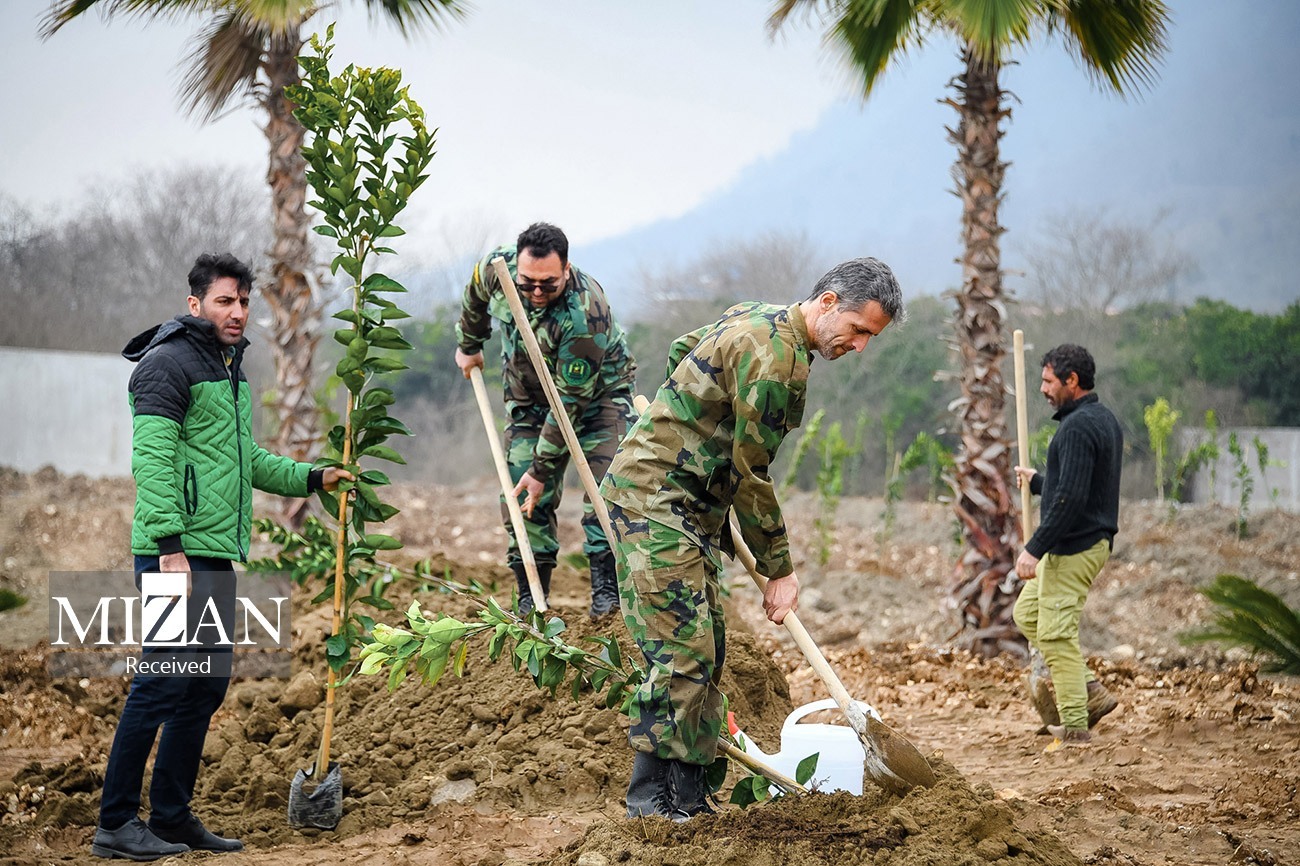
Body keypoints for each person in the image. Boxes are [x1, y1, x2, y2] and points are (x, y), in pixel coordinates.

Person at [599, 257, 903, 819]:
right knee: (682, 654)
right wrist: (778, 571)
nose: (860, 347)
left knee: (709, 649)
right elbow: (751, 474)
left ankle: (688, 796)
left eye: (870, 339)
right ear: (830, 302)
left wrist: (691, 417)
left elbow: (682, 350)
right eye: (860, 330)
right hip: (654, 501)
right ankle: (650, 803)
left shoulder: (755, 316)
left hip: (687, 507)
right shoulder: (776, 363)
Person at [93, 253, 352, 860]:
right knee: (159, 683)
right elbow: (152, 463)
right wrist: (168, 550)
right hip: (176, 555)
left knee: (204, 686)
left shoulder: (228, 368)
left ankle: (174, 816)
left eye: (242, 302)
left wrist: (313, 477)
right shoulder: (166, 366)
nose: (237, 313)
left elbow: (248, 461)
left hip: (212, 553)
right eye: (224, 302)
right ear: (195, 305)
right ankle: (114, 823)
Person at [455, 222, 636, 618]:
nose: (537, 292)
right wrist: (469, 344)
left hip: (596, 399)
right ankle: (530, 598)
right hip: (528, 400)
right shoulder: (496, 269)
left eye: (548, 284)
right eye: (528, 283)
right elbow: (474, 297)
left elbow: (569, 403)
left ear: (566, 269)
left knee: (610, 490)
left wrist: (542, 469)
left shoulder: (587, 313)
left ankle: (607, 594)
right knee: (520, 493)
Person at [1013, 343, 1123, 747]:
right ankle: (1088, 686)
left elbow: (1071, 501)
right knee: (1028, 614)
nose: (1042, 388)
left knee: (1056, 636)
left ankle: (1076, 727)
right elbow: (1078, 487)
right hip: (1078, 541)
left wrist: (1033, 548)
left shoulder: (1076, 428)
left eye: (1048, 381)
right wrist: (1038, 482)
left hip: (1075, 547)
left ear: (1071, 381)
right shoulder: (1099, 419)